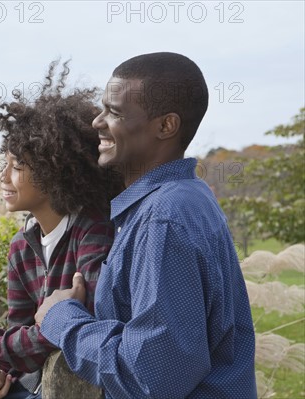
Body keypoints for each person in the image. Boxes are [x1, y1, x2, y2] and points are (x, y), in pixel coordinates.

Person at [34, 52, 257, 398]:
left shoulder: (162, 220)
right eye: (103, 108)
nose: (97, 122)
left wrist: (62, 319)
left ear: (166, 126)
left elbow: (150, 377)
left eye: (116, 112)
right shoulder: (185, 198)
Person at [0, 61, 124, 399]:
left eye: (17, 167)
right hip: (32, 384)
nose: (4, 178)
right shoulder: (21, 248)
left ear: (53, 173)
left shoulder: (93, 231)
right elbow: (23, 332)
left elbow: (84, 324)